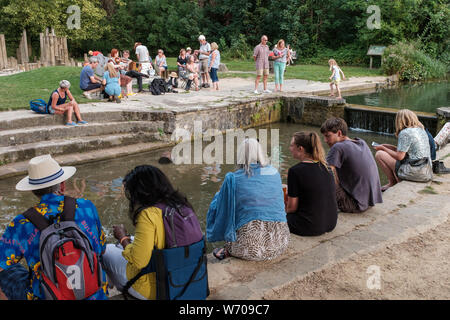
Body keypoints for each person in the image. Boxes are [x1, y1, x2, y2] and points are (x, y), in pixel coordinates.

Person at [0, 154, 108, 300]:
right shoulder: (87, 206)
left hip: (49, 295)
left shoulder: (21, 223)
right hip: (94, 292)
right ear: (62, 185)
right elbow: (101, 248)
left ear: (33, 190)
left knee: (10, 272)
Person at [102, 165, 199, 300]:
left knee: (106, 251)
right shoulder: (183, 206)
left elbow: (139, 261)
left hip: (159, 290)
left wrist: (122, 237)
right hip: (190, 280)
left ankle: (110, 291)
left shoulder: (148, 214)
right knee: (125, 244)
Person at [206, 138, 290, 261]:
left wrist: (221, 194)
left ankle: (227, 250)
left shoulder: (233, 179)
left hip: (249, 250)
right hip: (280, 242)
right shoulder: (274, 173)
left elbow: (219, 208)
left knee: (223, 202)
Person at [321, 117, 382, 213]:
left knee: (322, 176)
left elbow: (324, 173)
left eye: (328, 136)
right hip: (369, 202)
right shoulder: (361, 142)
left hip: (355, 205)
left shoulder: (337, 147)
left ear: (339, 133)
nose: (325, 140)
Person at [286, 132, 338, 236]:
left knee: (273, 217)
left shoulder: (295, 171)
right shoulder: (327, 167)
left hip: (308, 226)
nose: (289, 148)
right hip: (331, 223)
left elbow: (292, 208)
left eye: (292, 145)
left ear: (300, 149)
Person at [374, 109, 433, 190]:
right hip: (426, 171)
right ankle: (395, 181)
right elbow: (408, 151)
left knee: (379, 154)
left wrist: (383, 148)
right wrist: (389, 147)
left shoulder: (405, 133)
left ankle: (393, 183)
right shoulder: (421, 130)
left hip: (414, 172)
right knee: (387, 154)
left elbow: (399, 157)